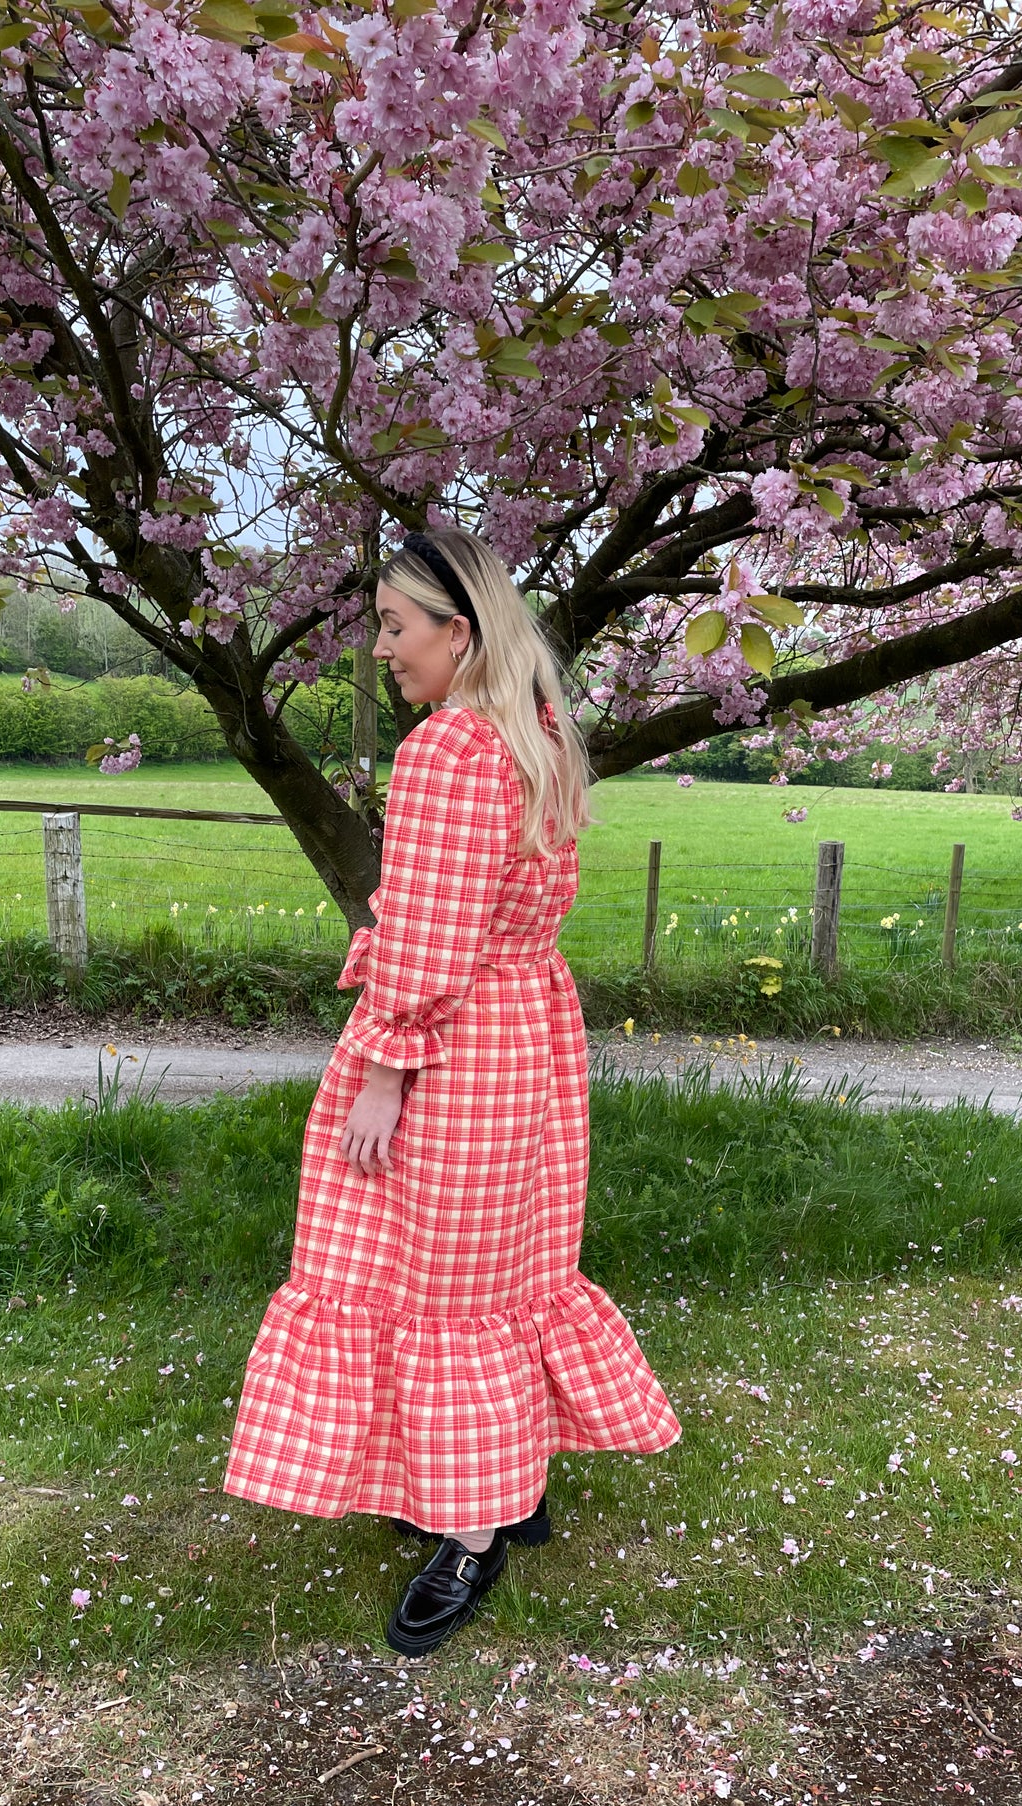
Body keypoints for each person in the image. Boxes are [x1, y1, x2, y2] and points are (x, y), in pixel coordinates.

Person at [223, 524, 681, 1657]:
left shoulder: (446, 752)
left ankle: (468, 1531)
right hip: (528, 1036)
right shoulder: (534, 734)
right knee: (506, 1268)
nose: (380, 648)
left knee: (433, 1284)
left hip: (455, 1046)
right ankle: (504, 1486)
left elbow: (424, 943)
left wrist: (383, 1070)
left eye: (394, 626)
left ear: (457, 631)